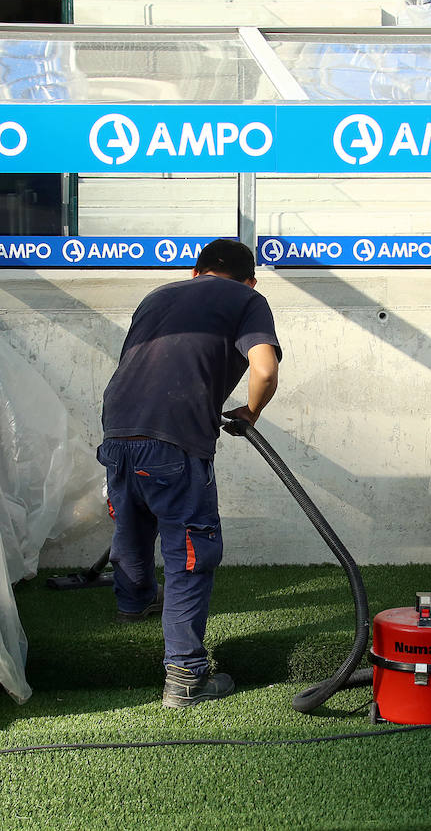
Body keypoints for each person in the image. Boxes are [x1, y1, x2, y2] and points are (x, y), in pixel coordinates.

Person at [97, 238, 281, 708]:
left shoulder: (157, 296)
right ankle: (185, 674)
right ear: (250, 279)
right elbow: (263, 369)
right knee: (193, 551)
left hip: (118, 427)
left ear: (195, 272)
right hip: (175, 435)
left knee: (133, 523)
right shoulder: (248, 299)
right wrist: (251, 413)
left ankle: (133, 602)